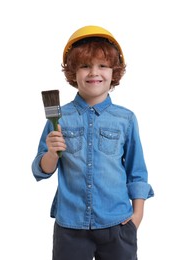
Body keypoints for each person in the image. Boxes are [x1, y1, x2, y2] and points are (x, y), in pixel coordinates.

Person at [32, 25, 154, 260]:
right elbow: (41, 170)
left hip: (117, 224)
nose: (93, 73)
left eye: (103, 66)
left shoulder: (125, 119)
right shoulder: (59, 118)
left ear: (114, 72)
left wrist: (137, 216)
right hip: (70, 227)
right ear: (73, 73)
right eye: (85, 66)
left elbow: (136, 172)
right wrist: (51, 154)